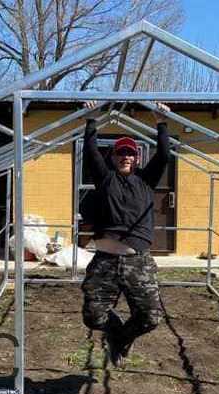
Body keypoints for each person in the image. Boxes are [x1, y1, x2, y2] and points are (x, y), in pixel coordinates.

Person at [81, 102, 171, 367]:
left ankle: (120, 338)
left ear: (137, 158)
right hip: (105, 261)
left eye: (130, 153)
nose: (126, 157)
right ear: (113, 157)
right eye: (121, 152)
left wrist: (161, 122)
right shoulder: (105, 179)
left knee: (150, 317)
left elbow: (164, 155)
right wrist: (91, 120)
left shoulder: (146, 181)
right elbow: (90, 152)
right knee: (93, 316)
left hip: (137, 261)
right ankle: (114, 329)